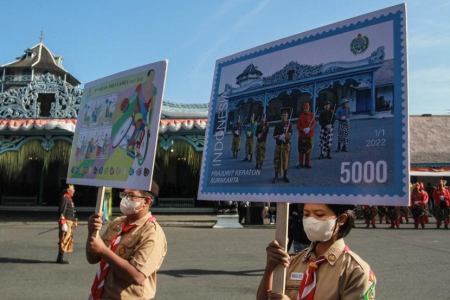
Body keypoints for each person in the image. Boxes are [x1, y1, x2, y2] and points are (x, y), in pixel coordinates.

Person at [257, 203, 376, 300]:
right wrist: (269, 270)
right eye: (306, 214)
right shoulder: (292, 262)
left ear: (341, 219)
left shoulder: (356, 272)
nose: (310, 220)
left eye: (319, 214)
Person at [87, 181, 167, 300]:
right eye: (124, 195)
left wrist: (104, 251)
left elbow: (137, 276)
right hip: (100, 295)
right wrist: (92, 232)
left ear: (147, 201)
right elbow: (92, 258)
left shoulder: (152, 233)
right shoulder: (117, 222)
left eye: (131, 196)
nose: (125, 199)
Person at [57, 184, 77, 264]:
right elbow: (62, 211)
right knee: (63, 239)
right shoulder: (65, 199)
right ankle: (60, 258)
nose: (74, 191)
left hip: (69, 222)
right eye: (73, 189)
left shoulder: (68, 199)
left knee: (66, 240)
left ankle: (60, 257)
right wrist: (63, 223)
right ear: (68, 190)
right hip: (66, 222)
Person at [273, 108, 293, 183]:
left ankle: (285, 176)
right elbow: (273, 136)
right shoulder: (277, 125)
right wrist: (279, 137)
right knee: (277, 160)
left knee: (286, 159)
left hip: (286, 145)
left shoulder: (289, 125)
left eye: (285, 115)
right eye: (282, 115)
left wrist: (286, 135)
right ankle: (276, 176)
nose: (283, 117)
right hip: (278, 145)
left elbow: (291, 133)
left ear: (287, 116)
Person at [296, 102, 316, 169]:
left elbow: (313, 123)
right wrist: (302, 129)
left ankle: (307, 163)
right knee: (301, 150)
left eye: (307, 108)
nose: (306, 110)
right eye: (304, 108)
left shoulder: (312, 115)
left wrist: (309, 128)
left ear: (309, 108)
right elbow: (298, 126)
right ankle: (301, 163)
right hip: (302, 136)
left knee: (308, 150)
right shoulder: (300, 117)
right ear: (303, 109)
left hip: (309, 135)